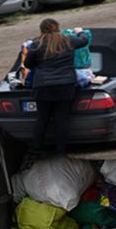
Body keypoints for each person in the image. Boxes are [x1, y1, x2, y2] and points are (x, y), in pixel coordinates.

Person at [24, 18, 88, 155]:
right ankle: (61, 151)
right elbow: (84, 40)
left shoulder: (36, 44)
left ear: (41, 29)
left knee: (42, 118)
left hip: (43, 86)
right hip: (65, 86)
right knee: (62, 118)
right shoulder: (68, 40)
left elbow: (28, 64)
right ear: (58, 28)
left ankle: (36, 148)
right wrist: (80, 31)